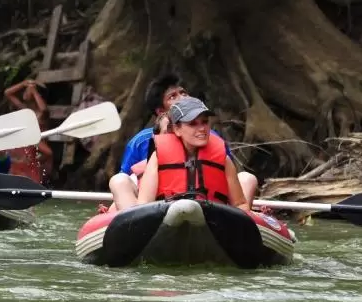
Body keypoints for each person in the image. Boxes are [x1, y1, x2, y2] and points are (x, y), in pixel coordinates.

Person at [109, 73, 258, 206]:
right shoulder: (145, 144)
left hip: (211, 207)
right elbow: (135, 188)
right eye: (173, 96)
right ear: (176, 128)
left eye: (204, 122)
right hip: (160, 205)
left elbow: (235, 197)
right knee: (119, 181)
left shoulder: (214, 141)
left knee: (247, 178)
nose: (182, 98)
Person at [3, 78, 54, 183]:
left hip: (38, 148)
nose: (25, 91)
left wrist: (33, 90)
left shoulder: (42, 114)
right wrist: (23, 83)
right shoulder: (25, 110)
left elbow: (44, 109)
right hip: (26, 147)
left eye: (28, 89)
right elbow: (7, 93)